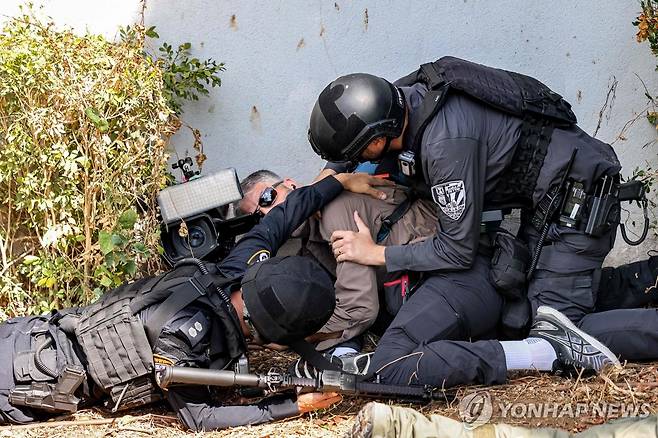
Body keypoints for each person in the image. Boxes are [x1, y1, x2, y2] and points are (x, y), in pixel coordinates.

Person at [306, 56, 658, 389]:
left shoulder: (444, 147)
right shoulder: (408, 95)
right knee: (528, 307)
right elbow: (364, 113)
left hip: (578, 203)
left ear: (379, 140)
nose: (356, 163)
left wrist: (378, 254)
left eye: (357, 154)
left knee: (557, 333)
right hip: (553, 196)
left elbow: (457, 250)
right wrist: (332, 175)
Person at [0, 172, 386, 430]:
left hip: (32, 332)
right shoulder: (188, 337)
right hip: (31, 377)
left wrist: (338, 181)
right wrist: (294, 407)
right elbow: (199, 418)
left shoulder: (235, 268)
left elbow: (280, 218)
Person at [237, 169, 436, 364]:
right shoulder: (310, 238)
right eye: (258, 217)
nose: (269, 213)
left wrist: (292, 338)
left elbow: (359, 308)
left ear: (290, 184)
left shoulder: (333, 211)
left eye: (267, 198)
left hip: (440, 265)